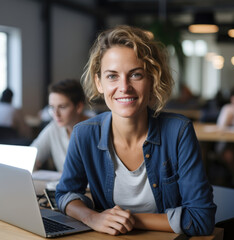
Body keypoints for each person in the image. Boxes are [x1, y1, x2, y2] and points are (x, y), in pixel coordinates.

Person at [55, 25, 216, 236]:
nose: (124, 87)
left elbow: (201, 219)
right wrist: (93, 217)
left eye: (136, 75)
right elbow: (65, 194)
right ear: (99, 82)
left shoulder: (178, 132)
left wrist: (127, 219)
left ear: (152, 79)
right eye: (112, 76)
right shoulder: (84, 134)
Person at [31, 79, 88, 172]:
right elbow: (31, 156)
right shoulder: (54, 128)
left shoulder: (97, 130)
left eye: (62, 107)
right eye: (52, 107)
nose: (56, 114)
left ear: (79, 107)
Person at [216, 84, 234, 187]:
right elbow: (219, 129)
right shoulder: (228, 109)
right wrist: (227, 121)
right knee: (230, 155)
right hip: (227, 144)